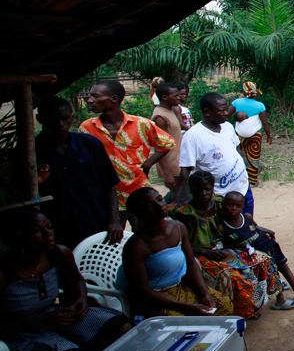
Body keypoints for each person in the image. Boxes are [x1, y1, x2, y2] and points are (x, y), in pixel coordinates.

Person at [0, 208, 132, 351]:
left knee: (119, 327)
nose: (49, 234)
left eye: (49, 227)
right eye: (39, 230)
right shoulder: (4, 273)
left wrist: (80, 300)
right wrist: (36, 322)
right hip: (20, 332)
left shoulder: (58, 254)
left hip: (53, 316)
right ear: (19, 237)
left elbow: (77, 282)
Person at [169, 171, 283, 319]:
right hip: (198, 256)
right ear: (191, 189)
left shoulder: (219, 204)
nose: (203, 193)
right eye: (198, 189)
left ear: (212, 189)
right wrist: (205, 253)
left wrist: (258, 229)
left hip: (225, 249)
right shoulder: (184, 214)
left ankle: (256, 303)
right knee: (231, 277)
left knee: (262, 260)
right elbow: (178, 247)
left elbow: (237, 221)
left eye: (207, 189)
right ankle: (239, 312)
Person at [118, 187, 232, 319]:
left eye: (160, 199)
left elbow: (190, 262)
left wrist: (204, 294)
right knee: (178, 323)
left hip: (179, 287)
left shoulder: (178, 227)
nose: (159, 205)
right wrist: (186, 307)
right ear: (139, 214)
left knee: (223, 305)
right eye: (150, 205)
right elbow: (143, 291)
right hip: (153, 298)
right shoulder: (136, 246)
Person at [34, 97, 122, 249]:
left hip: (95, 224)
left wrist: (114, 220)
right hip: (56, 231)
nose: (60, 125)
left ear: (72, 118)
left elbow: (108, 184)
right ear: (39, 119)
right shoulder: (31, 153)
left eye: (65, 118)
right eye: (52, 119)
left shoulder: (90, 144)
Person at [80, 79, 176, 216]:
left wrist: (148, 164)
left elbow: (167, 143)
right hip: (106, 195)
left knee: (144, 232)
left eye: (95, 96)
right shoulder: (87, 128)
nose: (89, 100)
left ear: (114, 99)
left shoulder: (141, 124)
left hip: (137, 191)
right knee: (113, 233)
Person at [220, 191, 294, 309]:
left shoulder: (246, 217)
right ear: (223, 204)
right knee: (271, 273)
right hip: (255, 257)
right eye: (230, 205)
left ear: (242, 207)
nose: (233, 208)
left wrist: (265, 230)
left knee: (283, 267)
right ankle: (280, 299)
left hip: (268, 246)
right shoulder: (223, 227)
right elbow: (227, 245)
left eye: (238, 206)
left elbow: (255, 227)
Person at [177, 92, 254, 216]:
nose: (226, 113)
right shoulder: (193, 135)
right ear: (207, 112)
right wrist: (176, 201)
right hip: (220, 196)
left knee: (247, 226)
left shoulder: (228, 127)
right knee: (226, 230)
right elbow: (185, 171)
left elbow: (237, 148)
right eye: (222, 111)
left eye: (226, 109)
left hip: (243, 188)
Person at [230, 81, 272, 188]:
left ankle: (239, 179)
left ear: (244, 91)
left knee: (239, 155)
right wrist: (269, 136)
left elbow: (226, 115)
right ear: (255, 92)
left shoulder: (236, 103)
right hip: (255, 135)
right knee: (253, 156)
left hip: (239, 134)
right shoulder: (260, 105)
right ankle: (252, 181)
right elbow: (265, 123)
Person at [151, 82, 186, 204]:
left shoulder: (170, 111)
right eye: (175, 95)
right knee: (183, 198)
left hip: (178, 161)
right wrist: (166, 173)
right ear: (165, 97)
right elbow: (158, 146)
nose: (179, 97)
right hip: (172, 165)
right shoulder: (160, 117)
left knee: (178, 194)